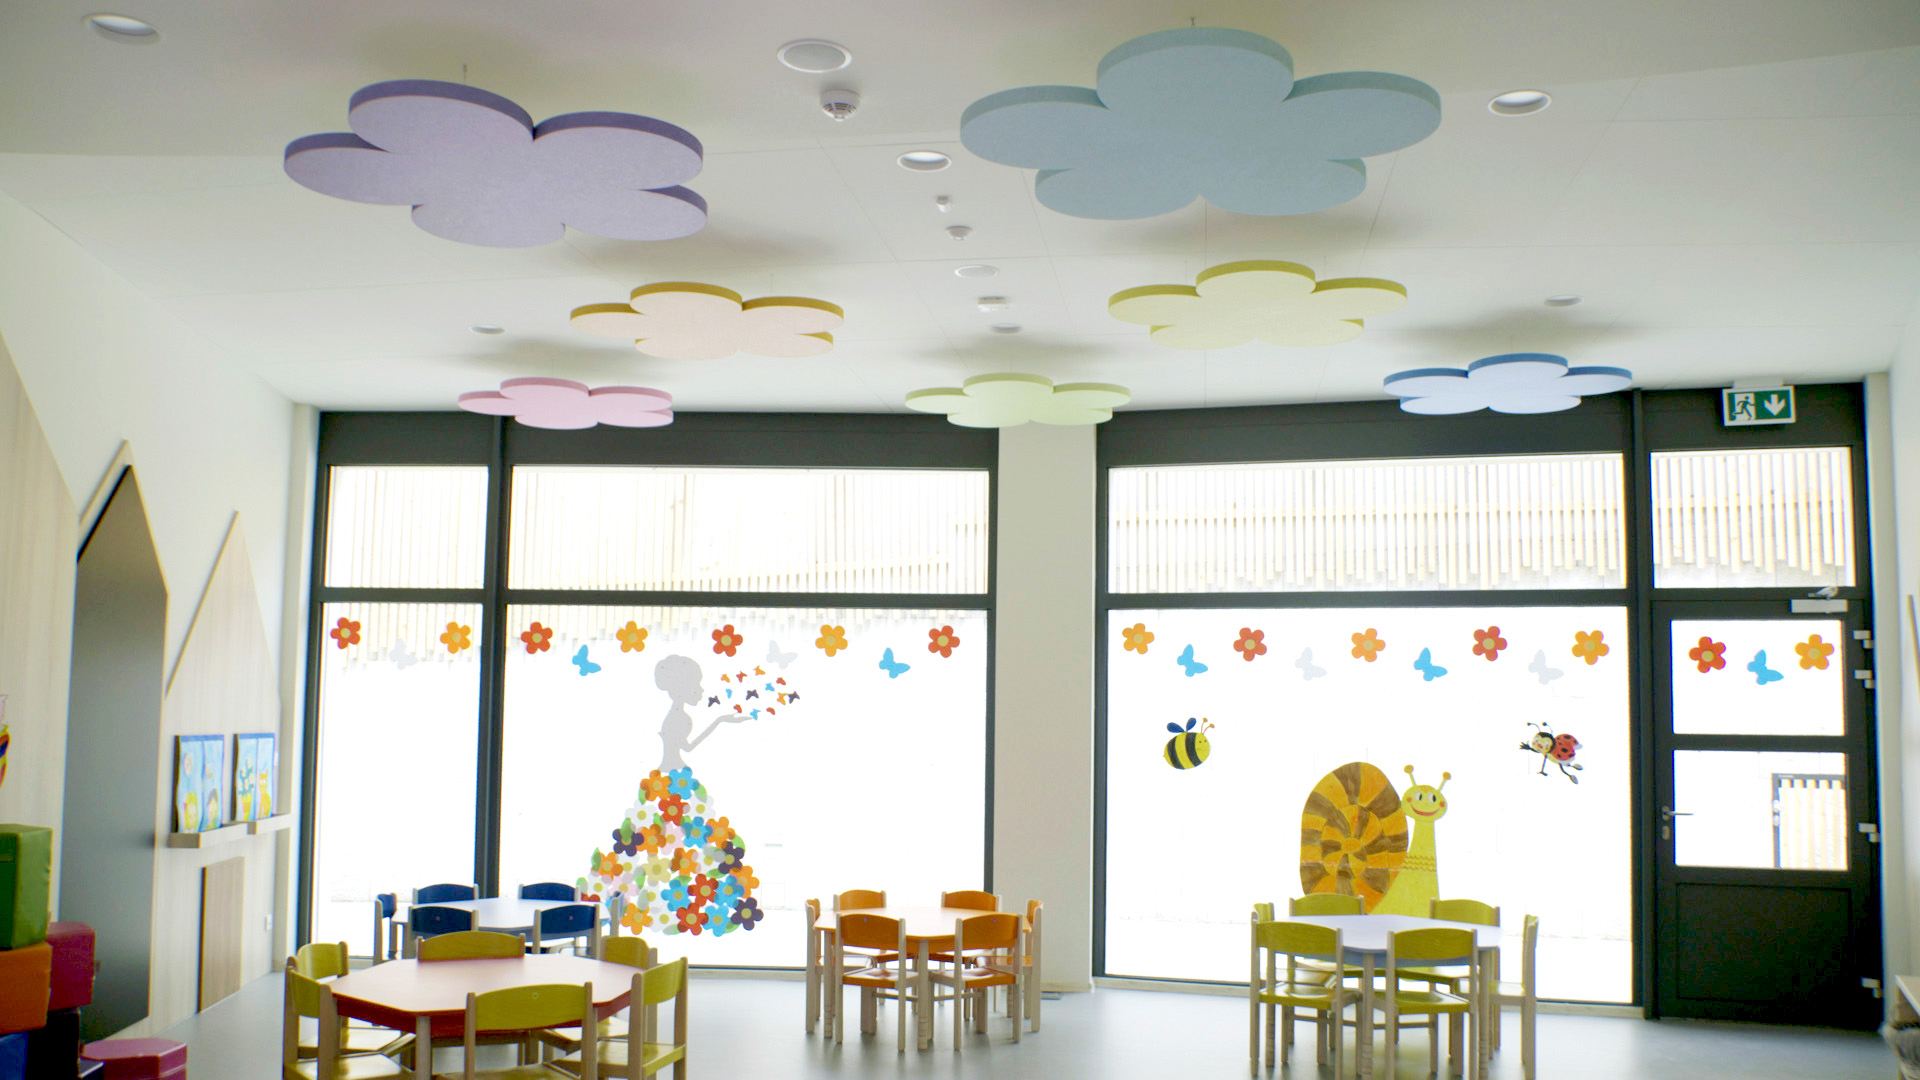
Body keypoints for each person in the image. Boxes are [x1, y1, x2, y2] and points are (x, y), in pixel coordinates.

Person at [579, 655, 765, 938]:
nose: (701, 692)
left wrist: (720, 720)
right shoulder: (679, 716)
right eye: (696, 686)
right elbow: (687, 747)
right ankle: (651, 905)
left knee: (660, 842)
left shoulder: (678, 714)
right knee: (662, 841)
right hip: (672, 782)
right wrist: (720, 720)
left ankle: (658, 905)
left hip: (671, 779)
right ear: (682, 687)